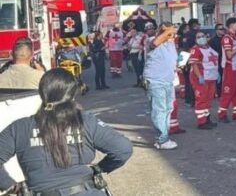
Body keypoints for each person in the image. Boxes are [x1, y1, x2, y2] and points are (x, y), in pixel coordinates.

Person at [0, 69, 132, 195]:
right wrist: (99, 168)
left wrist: (9, 185)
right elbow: (123, 149)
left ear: (41, 93)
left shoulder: (19, 128)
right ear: (72, 95)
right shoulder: (85, 121)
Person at [144, 22, 180, 150]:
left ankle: (164, 137)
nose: (172, 35)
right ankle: (162, 140)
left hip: (167, 80)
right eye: (169, 33)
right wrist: (166, 31)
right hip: (155, 81)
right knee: (159, 110)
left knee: (167, 109)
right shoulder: (151, 41)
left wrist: (177, 67)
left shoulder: (170, 44)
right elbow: (154, 44)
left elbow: (172, 61)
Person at [188, 31, 219, 130]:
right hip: (201, 78)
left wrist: (216, 73)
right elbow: (194, 64)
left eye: (202, 36)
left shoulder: (208, 48)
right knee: (201, 99)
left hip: (211, 77)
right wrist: (199, 76)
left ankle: (207, 118)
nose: (201, 38)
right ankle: (201, 122)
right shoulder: (195, 49)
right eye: (198, 37)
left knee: (208, 99)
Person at [209, 23, 225, 95]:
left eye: (223, 29)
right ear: (216, 30)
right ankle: (219, 93)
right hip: (217, 62)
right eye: (220, 29)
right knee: (219, 79)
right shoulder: (212, 41)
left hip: (226, 61)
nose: (222, 31)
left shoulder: (226, 38)